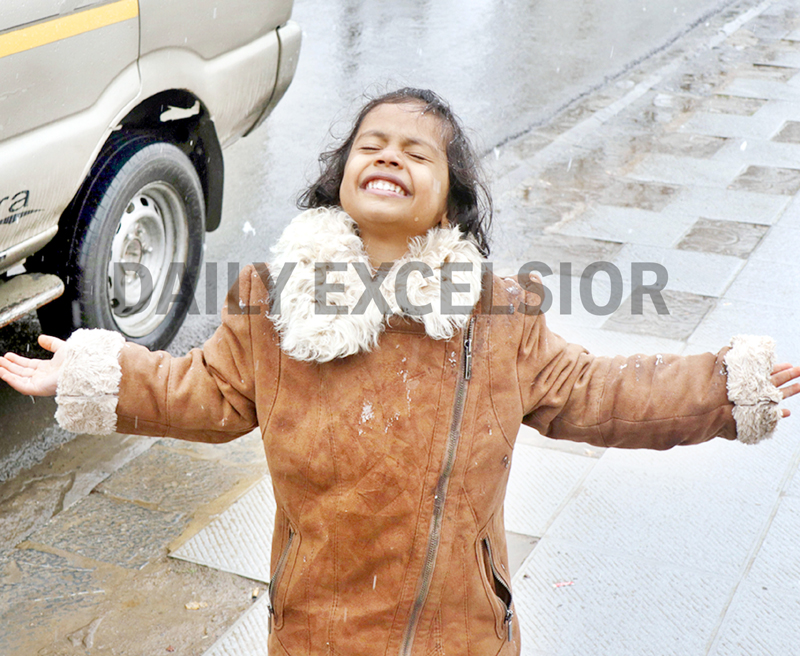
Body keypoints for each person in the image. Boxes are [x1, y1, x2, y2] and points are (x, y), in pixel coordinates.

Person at [1, 88, 798, 656]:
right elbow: (205, 394)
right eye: (371, 145)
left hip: (461, 630)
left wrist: (723, 388)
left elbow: (597, 391)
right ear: (340, 183)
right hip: (318, 629)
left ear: (449, 204)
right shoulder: (272, 304)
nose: (389, 155)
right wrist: (99, 376)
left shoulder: (496, 317)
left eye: (418, 152)